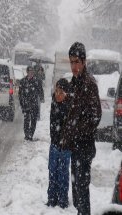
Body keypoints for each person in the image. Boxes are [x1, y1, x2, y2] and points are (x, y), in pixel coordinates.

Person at [61, 42, 102, 215]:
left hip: (84, 146)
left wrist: (76, 131)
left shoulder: (89, 83)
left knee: (82, 191)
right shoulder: (75, 82)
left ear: (84, 62)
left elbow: (95, 117)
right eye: (71, 62)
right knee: (77, 192)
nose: (74, 66)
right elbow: (74, 111)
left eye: (77, 62)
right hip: (75, 146)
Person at [47, 78, 71, 209]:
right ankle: (51, 198)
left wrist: (64, 141)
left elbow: (71, 128)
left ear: (66, 93)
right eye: (56, 91)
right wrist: (54, 139)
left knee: (62, 173)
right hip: (54, 144)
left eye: (60, 92)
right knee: (52, 171)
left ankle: (62, 200)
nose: (57, 94)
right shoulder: (54, 102)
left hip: (65, 146)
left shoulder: (70, 107)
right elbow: (52, 123)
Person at [18, 65, 44, 141]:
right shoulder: (23, 81)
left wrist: (42, 98)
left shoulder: (37, 81)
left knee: (33, 120)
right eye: (30, 72)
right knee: (26, 120)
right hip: (26, 104)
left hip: (34, 104)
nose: (31, 73)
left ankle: (31, 135)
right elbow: (20, 93)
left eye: (32, 72)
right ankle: (26, 135)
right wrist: (22, 103)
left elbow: (40, 90)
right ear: (27, 72)